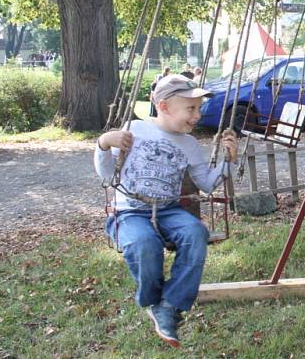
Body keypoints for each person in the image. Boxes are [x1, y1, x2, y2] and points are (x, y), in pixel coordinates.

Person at [94, 74, 238, 347]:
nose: (197, 116)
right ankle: (153, 300)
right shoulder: (134, 129)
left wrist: (228, 161)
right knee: (143, 243)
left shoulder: (190, 145)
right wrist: (103, 143)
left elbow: (207, 184)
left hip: (168, 210)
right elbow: (106, 175)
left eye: (199, 108)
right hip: (131, 211)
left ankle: (170, 304)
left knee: (196, 232)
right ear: (164, 106)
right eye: (191, 108)